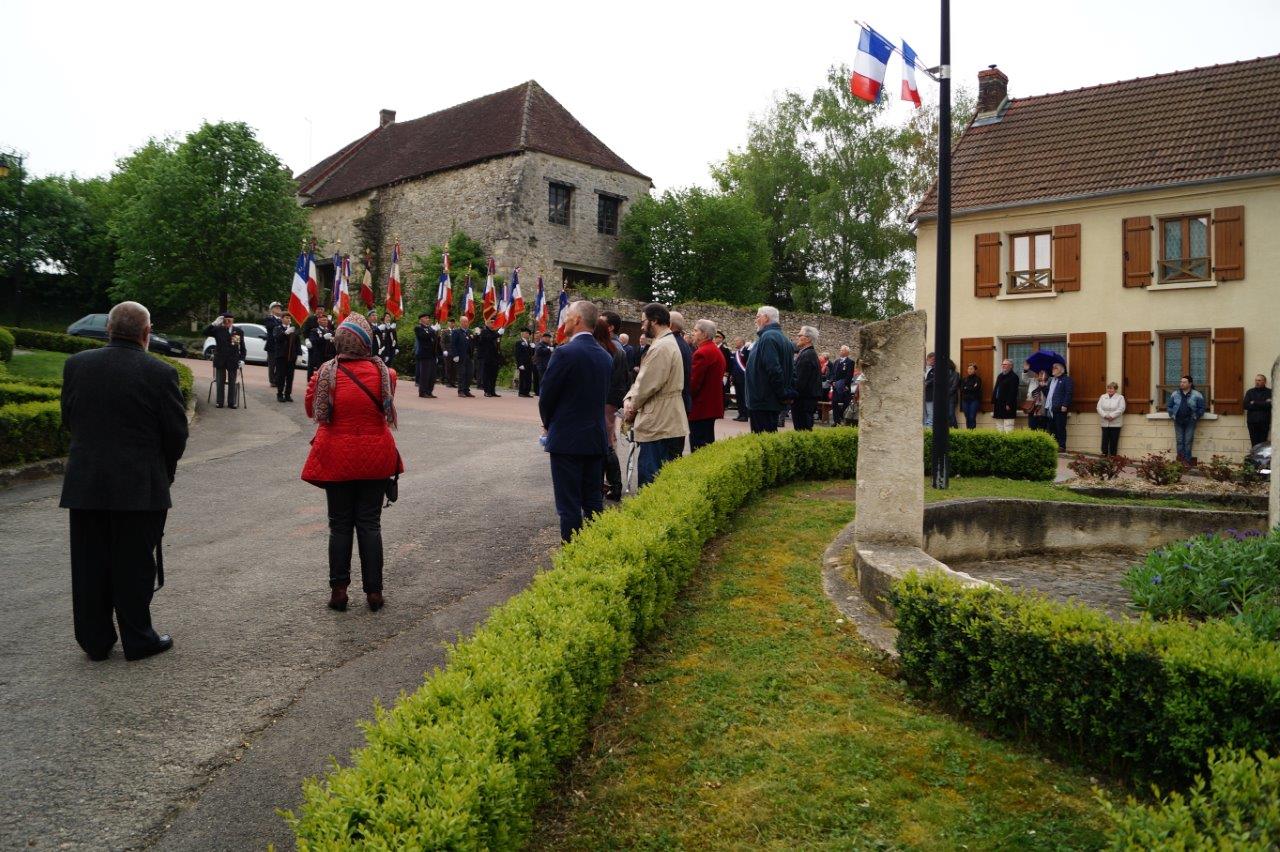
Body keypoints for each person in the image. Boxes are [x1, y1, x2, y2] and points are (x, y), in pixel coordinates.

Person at [60, 301, 188, 662]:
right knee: (134, 564)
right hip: (139, 484)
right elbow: (176, 434)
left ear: (108, 330)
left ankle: (95, 640)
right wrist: (164, 470)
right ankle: (138, 638)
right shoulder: (160, 373)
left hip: (86, 482)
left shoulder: (76, 365)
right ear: (146, 334)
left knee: (88, 564)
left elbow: (68, 418)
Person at [301, 313, 403, 612]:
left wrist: (317, 381)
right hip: (375, 457)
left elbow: (311, 410)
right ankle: (374, 592)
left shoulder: (324, 373)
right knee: (370, 524)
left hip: (337, 458)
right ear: (367, 341)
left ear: (339, 340)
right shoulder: (387, 374)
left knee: (340, 525)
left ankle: (339, 591)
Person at [539, 302, 613, 541]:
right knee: (592, 499)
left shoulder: (564, 352)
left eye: (568, 316)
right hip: (594, 437)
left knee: (568, 503)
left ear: (578, 320)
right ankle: (596, 547)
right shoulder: (605, 356)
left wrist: (549, 424)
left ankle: (572, 553)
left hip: (567, 438)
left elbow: (547, 396)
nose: (565, 321)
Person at [623, 303, 688, 486]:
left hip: (659, 422)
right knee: (662, 478)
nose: (642, 326)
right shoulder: (665, 343)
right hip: (666, 419)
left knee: (651, 479)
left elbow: (647, 384)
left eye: (644, 322)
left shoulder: (661, 347)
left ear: (655, 321)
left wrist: (631, 406)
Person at [744, 306, 794, 433]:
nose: (756, 320)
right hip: (767, 400)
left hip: (763, 401)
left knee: (762, 440)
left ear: (765, 318)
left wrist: (782, 393)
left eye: (757, 316)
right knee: (768, 436)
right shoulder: (782, 338)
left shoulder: (768, 337)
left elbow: (774, 369)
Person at [596, 317, 630, 500]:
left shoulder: (610, 348)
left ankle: (613, 486)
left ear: (610, 327)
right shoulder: (617, 347)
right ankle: (611, 485)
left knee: (606, 444)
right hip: (613, 398)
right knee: (608, 442)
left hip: (606, 399)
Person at [688, 319, 727, 450]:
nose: (692, 333)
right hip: (709, 407)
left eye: (695, 330)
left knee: (699, 446)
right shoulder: (714, 350)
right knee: (706, 444)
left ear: (704, 334)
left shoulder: (702, 352)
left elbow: (693, 383)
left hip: (701, 408)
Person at [204, 312, 246, 409]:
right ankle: (219, 402)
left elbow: (242, 347)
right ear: (223, 321)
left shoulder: (238, 331)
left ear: (233, 320)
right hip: (220, 359)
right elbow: (205, 332)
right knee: (220, 381)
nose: (228, 322)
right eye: (226, 320)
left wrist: (242, 359)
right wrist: (213, 323)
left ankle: (232, 402)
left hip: (233, 359)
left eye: (230, 320)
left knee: (232, 382)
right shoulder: (218, 329)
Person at [1167, 375, 1206, 465]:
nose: (1181, 384)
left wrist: (1196, 416)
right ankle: (1180, 461)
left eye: (1184, 382)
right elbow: (1169, 406)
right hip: (1178, 421)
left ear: (1190, 383)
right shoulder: (1175, 394)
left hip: (1190, 421)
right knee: (1179, 441)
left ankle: (1187, 461)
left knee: (1188, 441)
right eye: (1181, 382)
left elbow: (1201, 408)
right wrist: (1172, 414)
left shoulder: (1197, 394)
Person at [792, 326, 822, 431]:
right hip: (806, 399)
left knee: (802, 430)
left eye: (800, 335)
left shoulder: (807, 355)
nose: (798, 336)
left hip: (803, 400)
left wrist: (792, 395)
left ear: (808, 339)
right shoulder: (808, 353)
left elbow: (800, 381)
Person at [669, 311, 694, 419]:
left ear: (669, 325)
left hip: (674, 403)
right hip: (681, 400)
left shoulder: (671, 344)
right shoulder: (682, 343)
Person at [1045, 362, 1074, 451]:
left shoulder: (1066, 379)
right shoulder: (1051, 380)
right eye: (1053, 367)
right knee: (1051, 428)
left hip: (1060, 408)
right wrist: (1043, 388)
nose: (1053, 369)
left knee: (1060, 428)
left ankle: (1061, 446)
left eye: (1055, 368)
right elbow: (1048, 395)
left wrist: (1065, 404)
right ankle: (1053, 445)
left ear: (1061, 370)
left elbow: (1069, 393)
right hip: (1050, 408)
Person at [272, 312, 300, 402]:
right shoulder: (277, 328)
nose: (288, 320)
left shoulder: (293, 330)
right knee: (281, 376)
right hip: (281, 356)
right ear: (282, 319)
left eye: (289, 318)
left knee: (290, 376)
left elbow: (297, 343)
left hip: (291, 357)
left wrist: (298, 354)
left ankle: (288, 394)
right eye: (286, 318)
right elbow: (277, 338)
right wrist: (285, 333)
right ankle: (280, 394)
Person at [413, 312, 439, 398]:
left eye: (428, 318)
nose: (428, 319)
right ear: (421, 319)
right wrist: (433, 331)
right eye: (426, 318)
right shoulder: (418, 328)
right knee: (425, 374)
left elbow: (435, 341)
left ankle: (429, 391)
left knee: (432, 375)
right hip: (424, 355)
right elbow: (423, 336)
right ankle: (422, 392)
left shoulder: (430, 329)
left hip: (432, 355)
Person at [1097, 381, 1126, 456]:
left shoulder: (1120, 397)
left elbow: (1121, 408)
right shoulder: (1103, 397)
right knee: (1105, 439)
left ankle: (1113, 455)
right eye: (1108, 388)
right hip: (1104, 422)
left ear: (1115, 389)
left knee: (1114, 440)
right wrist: (1105, 415)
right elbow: (1099, 407)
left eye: (1111, 388)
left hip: (1115, 423)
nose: (1109, 390)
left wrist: (1111, 416)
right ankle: (1104, 454)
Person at [1244, 374, 1273, 448]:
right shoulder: (1250, 392)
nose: (1257, 382)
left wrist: (1254, 402)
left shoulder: (1269, 392)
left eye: (1259, 380)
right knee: (1254, 443)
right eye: (1256, 380)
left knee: (1263, 443)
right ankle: (1254, 459)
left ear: (1264, 382)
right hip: (1252, 422)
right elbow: (1245, 405)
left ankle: (1261, 459)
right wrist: (1263, 403)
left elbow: (1269, 405)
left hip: (1264, 421)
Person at [991, 359, 1020, 433]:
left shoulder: (1014, 377)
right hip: (998, 404)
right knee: (999, 426)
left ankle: (1008, 443)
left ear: (1011, 366)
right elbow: (996, 389)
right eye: (1002, 364)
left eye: (1005, 364)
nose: (1003, 366)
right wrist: (993, 401)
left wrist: (1009, 403)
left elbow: (1013, 392)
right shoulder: (1000, 376)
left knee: (1008, 425)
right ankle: (1000, 442)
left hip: (1008, 405)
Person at [301, 306, 328, 383]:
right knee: (311, 363)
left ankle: (321, 380)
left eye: (321, 309)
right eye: (318, 309)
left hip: (323, 345)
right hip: (312, 343)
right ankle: (310, 380)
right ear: (316, 310)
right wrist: (306, 340)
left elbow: (330, 330)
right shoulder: (310, 318)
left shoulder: (327, 319)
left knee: (322, 363)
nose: (320, 311)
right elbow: (305, 330)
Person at [307, 312, 337, 379]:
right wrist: (323, 338)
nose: (325, 321)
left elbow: (334, 345)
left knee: (327, 375)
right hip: (319, 357)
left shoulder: (331, 332)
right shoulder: (314, 331)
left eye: (326, 320)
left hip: (329, 357)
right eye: (323, 320)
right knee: (318, 375)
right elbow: (313, 342)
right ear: (318, 321)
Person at [451, 316, 475, 397]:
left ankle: (466, 389)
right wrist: (455, 355)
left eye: (467, 322)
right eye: (464, 322)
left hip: (469, 356)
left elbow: (473, 343)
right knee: (462, 373)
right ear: (460, 323)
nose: (466, 323)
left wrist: (477, 336)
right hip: (460, 356)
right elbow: (453, 344)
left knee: (470, 373)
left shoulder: (469, 332)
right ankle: (461, 390)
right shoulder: (456, 332)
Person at [477, 319, 501, 397]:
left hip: (494, 357)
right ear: (487, 323)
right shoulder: (484, 331)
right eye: (491, 322)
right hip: (486, 357)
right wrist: (498, 333)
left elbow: (497, 345)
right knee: (486, 375)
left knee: (493, 375)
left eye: (494, 322)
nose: (493, 324)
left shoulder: (494, 332)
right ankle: (487, 391)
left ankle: (492, 391)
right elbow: (488, 338)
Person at [830, 346, 854, 424]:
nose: (840, 351)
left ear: (846, 352)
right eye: (840, 350)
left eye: (842, 350)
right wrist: (832, 381)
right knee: (834, 402)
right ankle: (836, 421)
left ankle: (841, 416)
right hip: (836, 386)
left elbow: (849, 375)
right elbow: (833, 373)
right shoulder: (837, 361)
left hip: (844, 386)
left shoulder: (850, 362)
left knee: (846, 402)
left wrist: (846, 384)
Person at [264, 301, 283, 388]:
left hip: (280, 345)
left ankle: (277, 379)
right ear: (271, 310)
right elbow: (271, 327)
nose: (278, 309)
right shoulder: (269, 318)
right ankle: (272, 381)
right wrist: (281, 323)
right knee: (272, 364)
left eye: (279, 308)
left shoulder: (282, 319)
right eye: (276, 308)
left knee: (280, 364)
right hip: (272, 345)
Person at [731, 338, 750, 421]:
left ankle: (745, 415)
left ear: (742, 342)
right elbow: (734, 365)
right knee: (738, 397)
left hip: (743, 378)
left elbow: (748, 365)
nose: (735, 343)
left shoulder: (747, 352)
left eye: (737, 341)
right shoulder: (736, 353)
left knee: (743, 397)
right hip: (736, 378)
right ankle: (740, 413)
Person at [961, 363, 983, 429]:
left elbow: (976, 389)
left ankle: (972, 432)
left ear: (975, 370)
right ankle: (968, 432)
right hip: (965, 400)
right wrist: (970, 388)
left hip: (974, 400)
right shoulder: (964, 379)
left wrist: (966, 388)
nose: (969, 370)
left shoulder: (978, 379)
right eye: (968, 369)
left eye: (971, 369)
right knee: (967, 416)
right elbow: (962, 389)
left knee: (972, 416)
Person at [1028, 368, 1049, 433]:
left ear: (1046, 375)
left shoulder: (1049, 383)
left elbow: (1049, 396)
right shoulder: (1032, 381)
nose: (1041, 375)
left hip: (1043, 410)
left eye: (1043, 373)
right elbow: (1024, 379)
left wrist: (1043, 386)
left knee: (1043, 430)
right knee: (1032, 429)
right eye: (1039, 373)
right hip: (1032, 409)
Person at [923, 352, 936, 426]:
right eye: (932, 359)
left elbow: (934, 379)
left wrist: (926, 383)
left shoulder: (935, 369)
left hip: (930, 395)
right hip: (921, 395)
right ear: (928, 359)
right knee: (923, 414)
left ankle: (929, 430)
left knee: (930, 413)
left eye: (935, 360)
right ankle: (924, 429)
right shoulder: (923, 368)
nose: (933, 361)